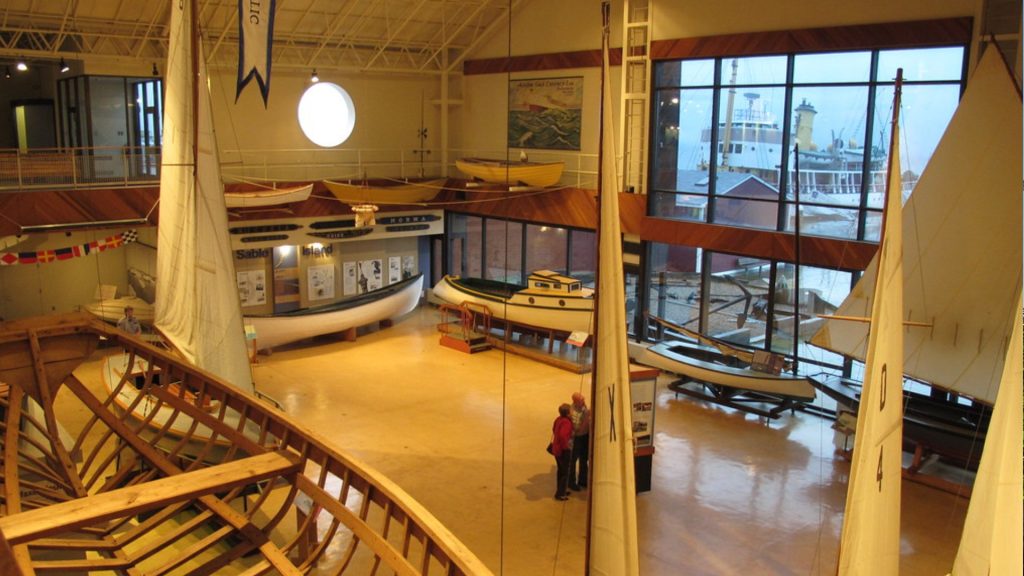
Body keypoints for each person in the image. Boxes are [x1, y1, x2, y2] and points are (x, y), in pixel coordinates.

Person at [551, 403, 573, 501]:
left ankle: (561, 490)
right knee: (564, 472)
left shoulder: (558, 419)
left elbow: (554, 430)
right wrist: (567, 447)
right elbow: (563, 436)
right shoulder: (567, 423)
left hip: (556, 449)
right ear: (568, 413)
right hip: (563, 450)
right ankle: (560, 494)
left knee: (560, 471)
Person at [569, 392, 590, 490]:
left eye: (583, 399)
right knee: (573, 460)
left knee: (584, 459)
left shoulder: (584, 408)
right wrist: (586, 419)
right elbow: (577, 428)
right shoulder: (572, 411)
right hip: (577, 439)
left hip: (584, 437)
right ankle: (571, 482)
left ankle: (583, 480)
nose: (584, 401)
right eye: (581, 400)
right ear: (575, 401)